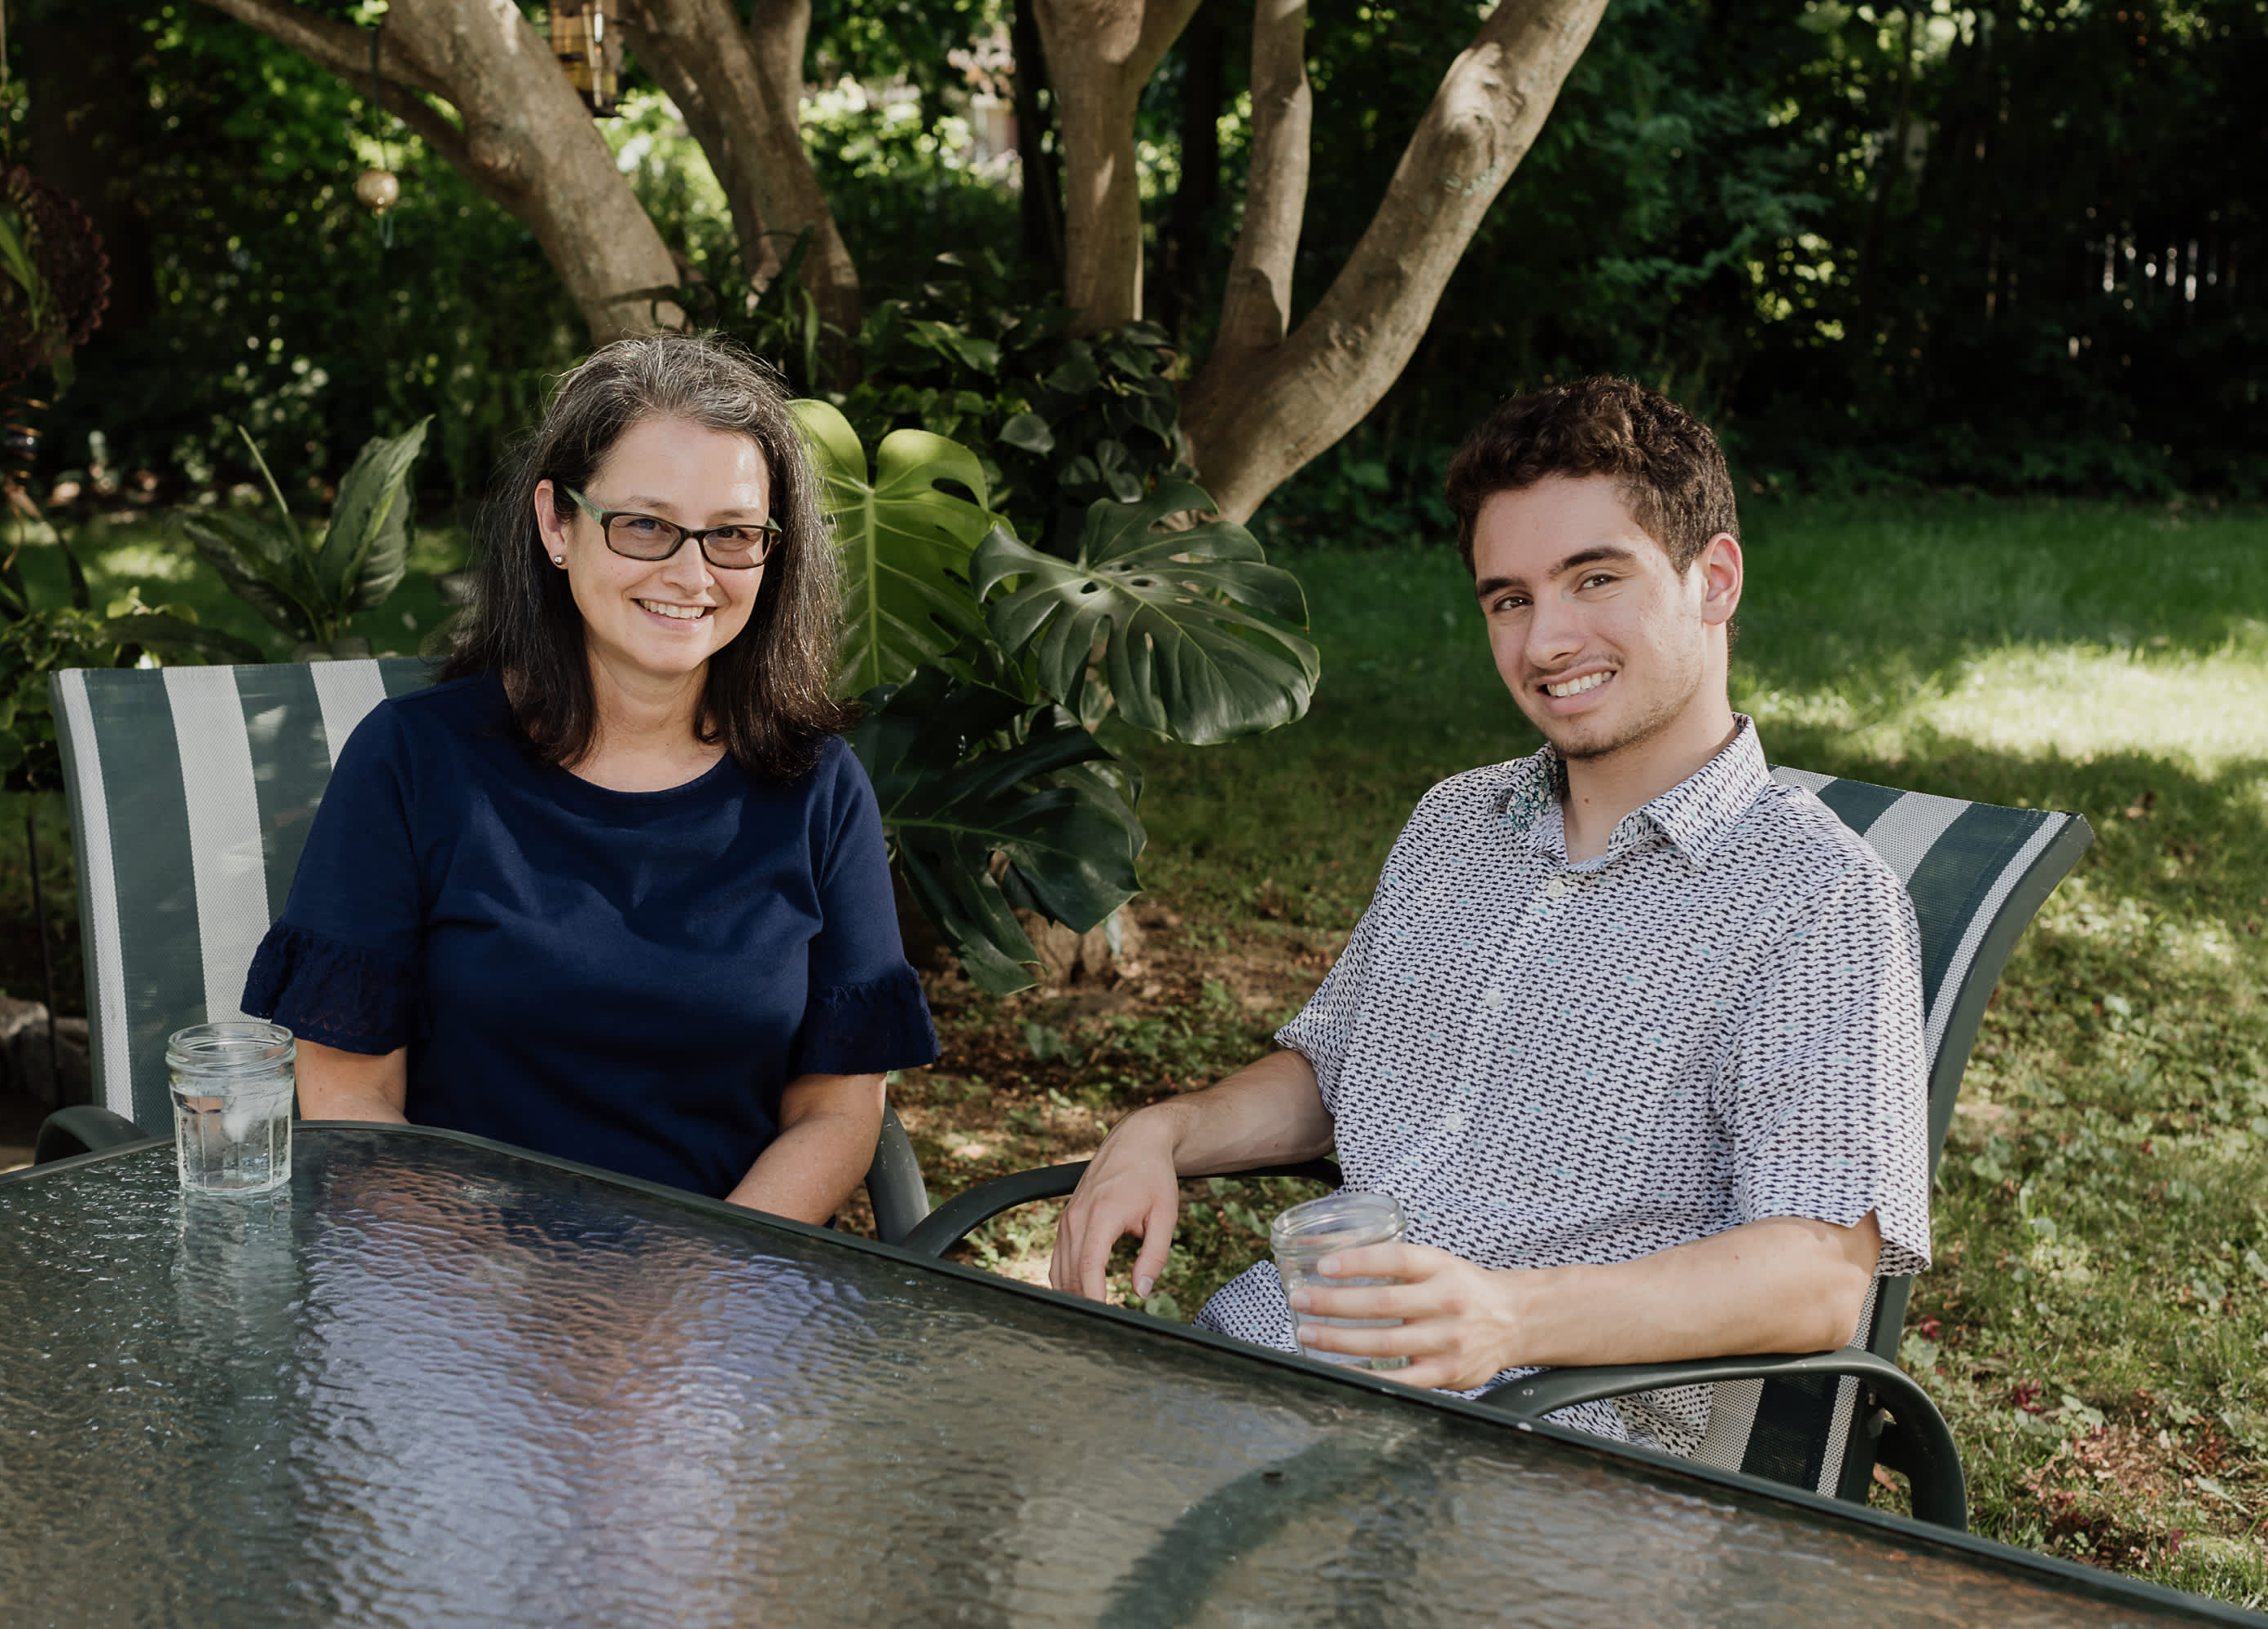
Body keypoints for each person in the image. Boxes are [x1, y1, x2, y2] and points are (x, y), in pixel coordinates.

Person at [1049, 376, 1929, 1452]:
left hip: (1531, 1453)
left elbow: (1816, 1277)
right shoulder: (1458, 821)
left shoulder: (1816, 895)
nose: (1546, 641)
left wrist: (1511, 1315)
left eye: (1594, 578)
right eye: (1509, 598)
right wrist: (1165, 1130)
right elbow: (1334, 1073)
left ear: (1715, 579)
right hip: (1260, 1382)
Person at [242, 336, 937, 1224]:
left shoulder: (818, 789)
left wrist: (700, 1282)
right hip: (454, 1284)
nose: (692, 574)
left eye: (732, 534)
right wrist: (521, 1303)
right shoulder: (413, 762)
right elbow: (350, 1096)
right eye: (644, 524)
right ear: (555, 525)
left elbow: (837, 1111)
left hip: (725, 1288)